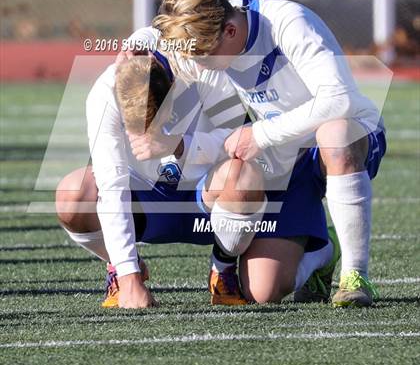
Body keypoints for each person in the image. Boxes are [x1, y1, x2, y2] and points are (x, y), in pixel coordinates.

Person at [148, 0, 386, 308]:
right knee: (263, 291)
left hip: (348, 136)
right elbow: (157, 40)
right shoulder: (214, 19)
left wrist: (260, 134)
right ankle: (323, 251)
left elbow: (339, 100)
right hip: (285, 157)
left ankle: (354, 276)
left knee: (334, 134)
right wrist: (134, 50)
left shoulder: (290, 22)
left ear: (231, 31)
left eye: (204, 56)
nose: (199, 66)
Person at [55, 37, 337, 308]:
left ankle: (228, 264)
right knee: (73, 195)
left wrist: (179, 145)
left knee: (263, 291)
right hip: (152, 197)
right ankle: (120, 267)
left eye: (157, 122)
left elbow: (241, 140)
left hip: (217, 194)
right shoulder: (106, 91)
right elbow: (111, 185)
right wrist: (129, 275)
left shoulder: (206, 68)